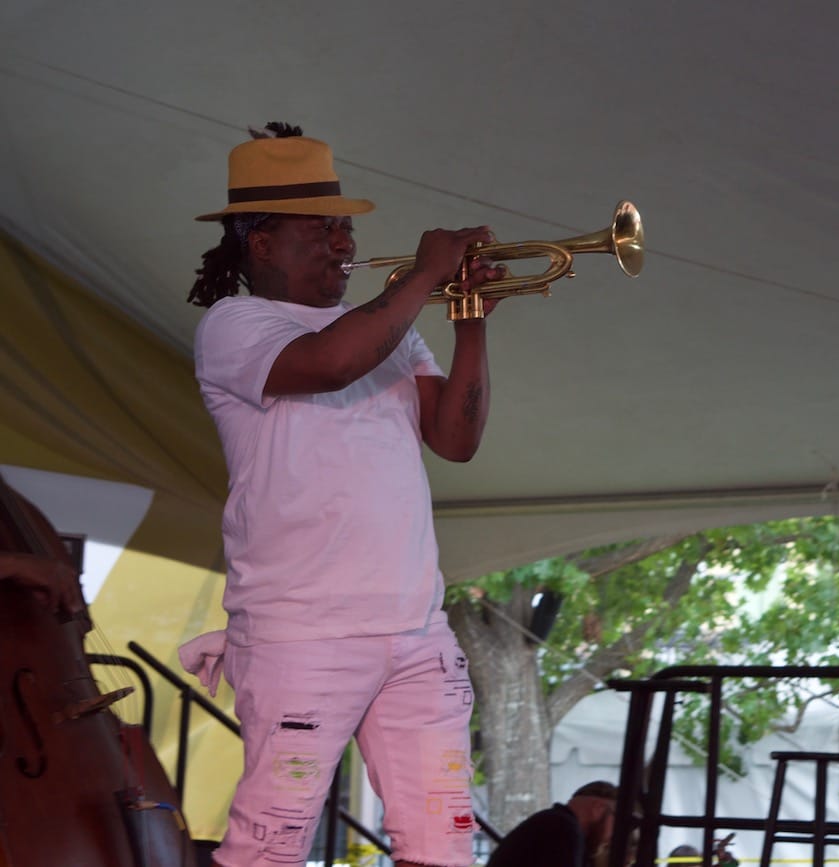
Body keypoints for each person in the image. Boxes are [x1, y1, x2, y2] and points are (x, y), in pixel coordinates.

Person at [181, 122, 504, 867]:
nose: (342, 243)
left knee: (446, 847)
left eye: (345, 227)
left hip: (416, 630)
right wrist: (422, 277)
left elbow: (455, 439)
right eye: (321, 229)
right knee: (271, 847)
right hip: (302, 634)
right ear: (262, 243)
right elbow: (328, 365)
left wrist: (470, 325)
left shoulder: (391, 330)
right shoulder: (236, 324)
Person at [484, 780, 621, 867]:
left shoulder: (553, 823)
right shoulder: (563, 829)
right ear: (598, 808)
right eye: (617, 819)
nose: (612, 836)